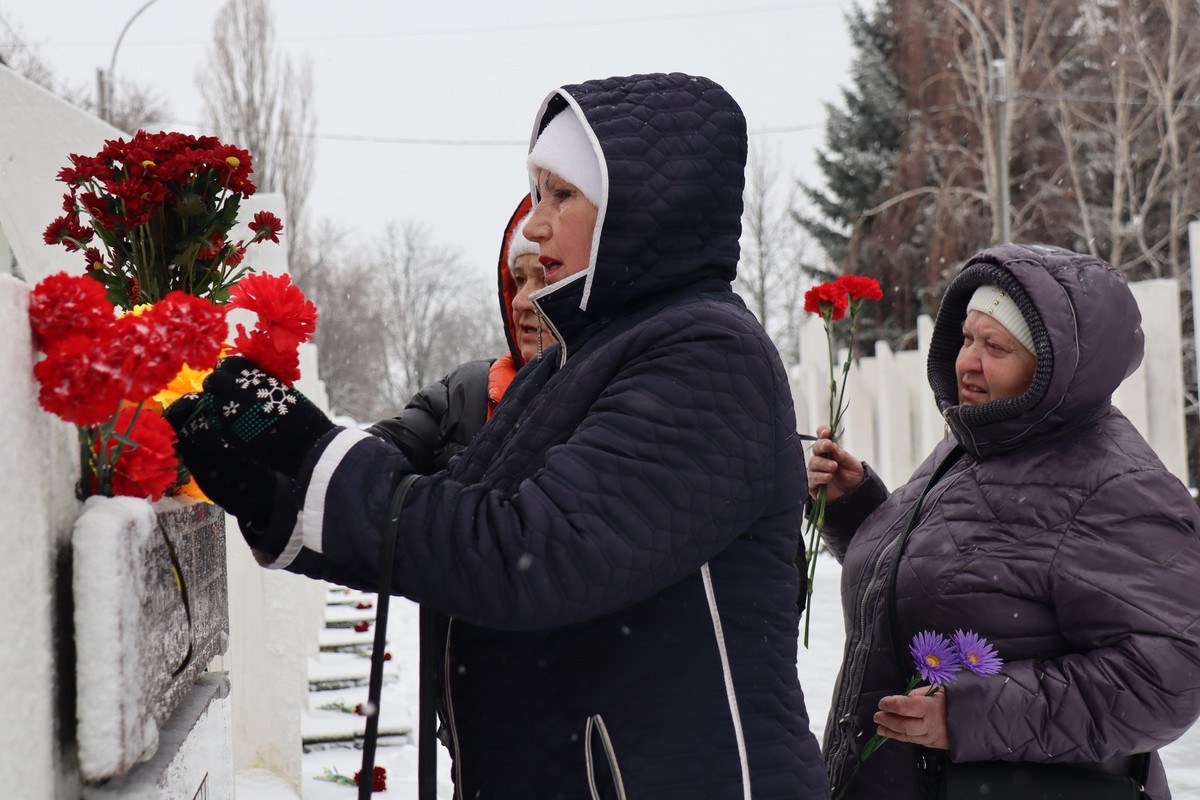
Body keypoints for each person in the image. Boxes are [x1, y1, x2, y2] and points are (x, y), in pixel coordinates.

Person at [167, 72, 830, 798]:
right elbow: (450, 523)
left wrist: (314, 451)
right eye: (536, 193)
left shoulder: (708, 357)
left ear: (643, 208)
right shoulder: (576, 364)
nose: (533, 225)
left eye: (561, 194)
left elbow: (533, 552)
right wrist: (281, 497)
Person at [807, 243, 1200, 800]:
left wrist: (974, 715)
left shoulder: (1117, 487)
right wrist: (856, 507)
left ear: (1053, 367)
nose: (968, 360)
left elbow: (1167, 678)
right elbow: (953, 577)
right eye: (967, 338)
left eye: (996, 346)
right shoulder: (978, 444)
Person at [367, 194, 548, 470]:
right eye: (519, 280)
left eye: (544, 279)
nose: (519, 301)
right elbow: (369, 458)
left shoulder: (615, 400)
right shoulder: (465, 391)